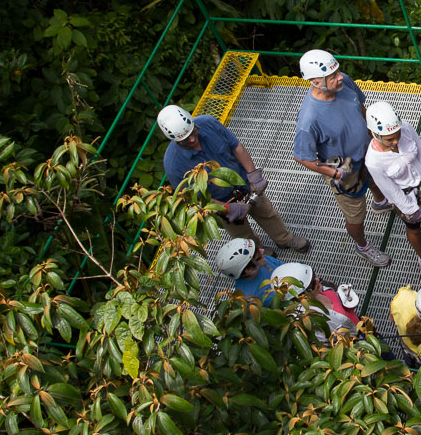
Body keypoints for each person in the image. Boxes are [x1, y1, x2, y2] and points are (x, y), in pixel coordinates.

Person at [159, 105, 310, 253]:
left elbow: (236, 147)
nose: (192, 140)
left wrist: (253, 175)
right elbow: (193, 199)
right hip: (222, 202)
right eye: (185, 140)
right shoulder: (174, 165)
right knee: (241, 234)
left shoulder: (208, 124)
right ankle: (258, 252)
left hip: (244, 184)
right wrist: (226, 209)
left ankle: (284, 239)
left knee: (267, 213)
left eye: (193, 132)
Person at [291, 49, 392, 268]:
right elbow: (303, 157)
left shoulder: (344, 82)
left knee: (375, 178)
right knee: (355, 214)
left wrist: (373, 133)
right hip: (344, 170)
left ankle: (381, 202)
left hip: (368, 152)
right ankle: (362, 246)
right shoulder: (309, 119)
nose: (340, 76)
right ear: (316, 81)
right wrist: (334, 173)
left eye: (337, 71)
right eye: (332, 76)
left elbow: (360, 106)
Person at [364, 100, 421, 283]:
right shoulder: (374, 161)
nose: (396, 141)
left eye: (397, 135)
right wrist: (410, 208)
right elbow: (390, 190)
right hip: (404, 195)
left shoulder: (407, 129)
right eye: (389, 139)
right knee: (414, 226)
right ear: (375, 134)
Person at [270, 262, 360, 334]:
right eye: (312, 284)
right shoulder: (310, 322)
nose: (317, 280)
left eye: (313, 275)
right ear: (299, 297)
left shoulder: (319, 288)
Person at [215, 238, 283, 304]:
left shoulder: (260, 260)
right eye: (259, 257)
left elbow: (280, 264)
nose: (262, 250)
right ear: (248, 270)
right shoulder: (248, 299)